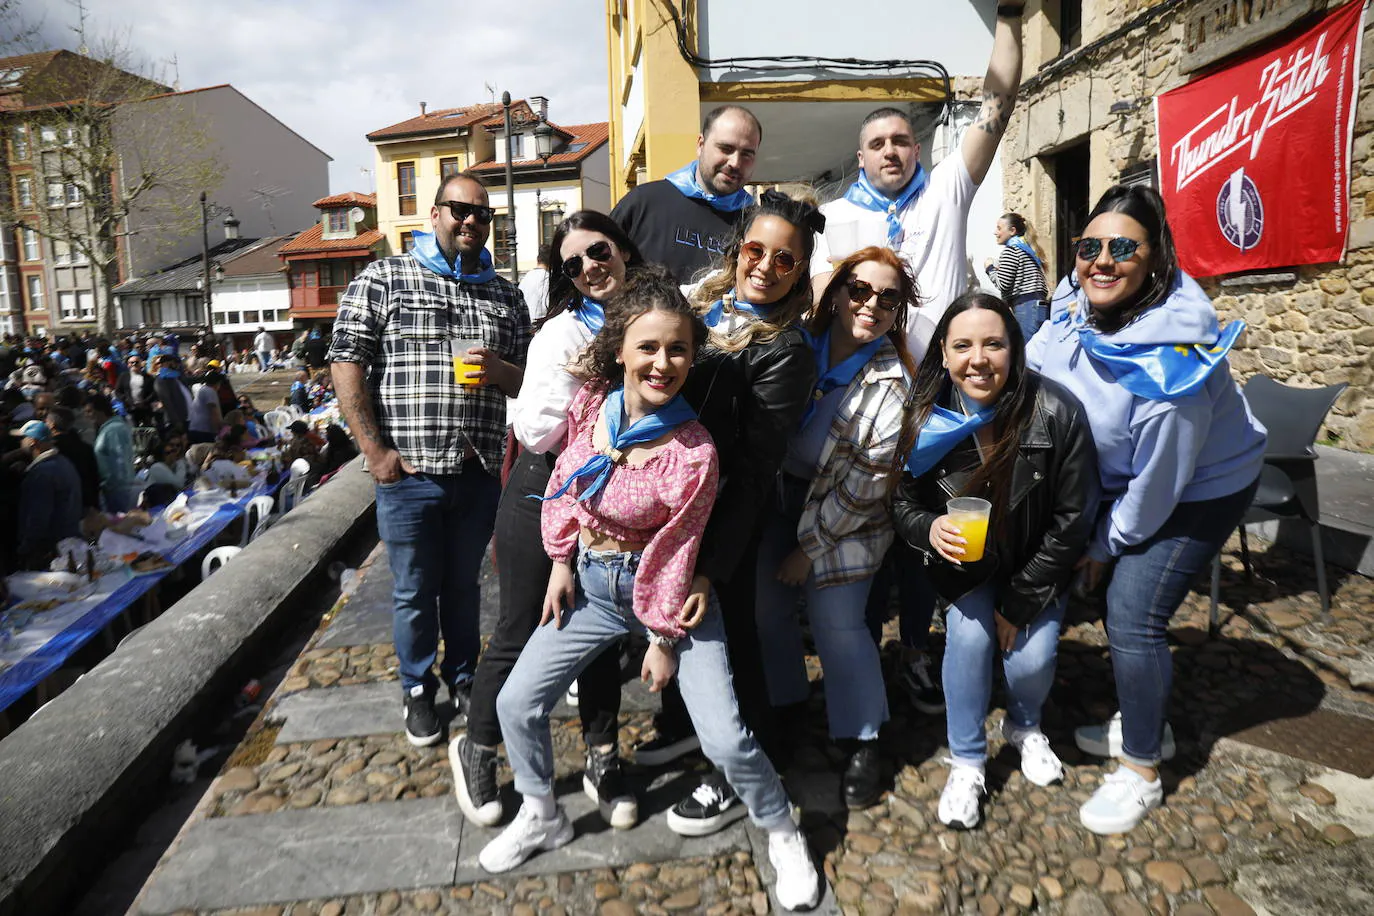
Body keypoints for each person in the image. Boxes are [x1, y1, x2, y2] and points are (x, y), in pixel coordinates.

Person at [480, 267, 822, 912]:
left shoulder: (692, 450)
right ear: (620, 351)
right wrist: (559, 561)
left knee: (724, 737)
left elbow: (679, 547)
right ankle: (541, 810)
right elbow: (567, 484)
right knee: (515, 702)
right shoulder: (590, 407)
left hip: (672, 598)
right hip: (592, 587)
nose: (663, 363)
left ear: (693, 356)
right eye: (648, 348)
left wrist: (663, 638)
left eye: (678, 350)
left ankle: (780, 829)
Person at [578, 189, 822, 835]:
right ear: (736, 248)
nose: (766, 266)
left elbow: (753, 472)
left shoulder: (786, 351)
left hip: (725, 519)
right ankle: (690, 732)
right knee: (689, 641)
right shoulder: (703, 305)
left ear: (801, 271)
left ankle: (740, 772)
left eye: (786, 260)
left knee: (734, 643)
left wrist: (713, 566)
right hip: (667, 499)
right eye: (756, 250)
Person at [1026, 184, 1266, 835]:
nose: (1101, 261)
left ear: (1155, 259)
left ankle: (1141, 769)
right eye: (1088, 247)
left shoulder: (1172, 367)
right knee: (1116, 601)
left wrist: (1104, 544)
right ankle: (1144, 719)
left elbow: (1160, 484)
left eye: (1122, 247)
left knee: (1132, 609)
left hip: (1200, 483)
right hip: (1128, 473)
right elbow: (1038, 363)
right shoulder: (1079, 308)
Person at [452, 210, 645, 829]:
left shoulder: (653, 315)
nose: (591, 266)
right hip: (545, 483)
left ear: (621, 250)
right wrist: (596, 382)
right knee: (520, 623)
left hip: (618, 490)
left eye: (599, 250)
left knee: (601, 626)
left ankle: (603, 756)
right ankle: (477, 745)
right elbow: (535, 430)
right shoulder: (561, 336)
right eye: (574, 263)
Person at [329, 169, 530, 748]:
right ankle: (417, 688)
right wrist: (374, 450)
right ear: (435, 213)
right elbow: (346, 360)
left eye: (483, 214)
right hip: (410, 472)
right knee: (415, 590)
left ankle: (464, 675)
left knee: (464, 585)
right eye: (460, 209)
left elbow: (527, 382)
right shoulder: (386, 279)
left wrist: (498, 371)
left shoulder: (504, 293)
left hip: (478, 468)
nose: (472, 221)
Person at [892, 292, 1098, 829]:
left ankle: (1024, 726)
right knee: (967, 640)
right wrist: (928, 527)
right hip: (968, 568)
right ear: (943, 351)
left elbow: (1074, 517)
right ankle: (965, 759)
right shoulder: (926, 416)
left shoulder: (1056, 411)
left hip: (1036, 566)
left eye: (993, 344)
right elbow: (902, 501)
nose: (977, 359)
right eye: (962, 345)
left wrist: (1022, 598)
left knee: (1030, 661)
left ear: (1015, 348)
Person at [754, 246, 916, 810]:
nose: (871, 304)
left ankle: (864, 737)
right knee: (768, 612)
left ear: (900, 310)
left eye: (888, 297)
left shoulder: (892, 384)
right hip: (779, 495)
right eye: (860, 290)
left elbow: (864, 487)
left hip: (848, 517)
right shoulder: (797, 341)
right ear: (837, 291)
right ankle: (788, 710)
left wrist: (808, 549)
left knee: (838, 624)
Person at [810, 3, 1024, 363]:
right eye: (877, 145)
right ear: (861, 158)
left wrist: (1009, 15)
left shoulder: (945, 189)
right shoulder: (830, 217)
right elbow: (818, 300)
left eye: (900, 142)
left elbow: (996, 108)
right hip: (859, 383)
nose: (890, 152)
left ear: (917, 149)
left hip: (940, 377)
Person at [610, 105, 762, 284]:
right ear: (700, 145)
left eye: (747, 154)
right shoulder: (644, 203)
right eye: (725, 148)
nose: (735, 163)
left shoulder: (757, 226)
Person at [15, 420, 83, 569]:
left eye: (22, 439)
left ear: (33, 442)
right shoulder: (64, 462)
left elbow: (38, 517)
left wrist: (26, 548)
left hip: (50, 551)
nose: (20, 443)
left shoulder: (41, 474)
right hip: (68, 541)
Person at [985, 212, 1050, 339]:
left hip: (1026, 307)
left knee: (1026, 352)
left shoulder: (1011, 250)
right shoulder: (1025, 249)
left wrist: (989, 268)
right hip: (1038, 306)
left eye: (999, 228)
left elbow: (1002, 284)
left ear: (1012, 231)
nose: (995, 232)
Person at [88, 392, 137, 512]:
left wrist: (114, 486)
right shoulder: (108, 429)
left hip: (118, 491)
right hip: (113, 490)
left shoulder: (113, 430)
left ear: (100, 411)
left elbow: (120, 461)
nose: (87, 415)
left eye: (89, 411)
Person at [154, 355, 194, 433]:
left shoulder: (177, 377)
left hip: (187, 418)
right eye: (172, 363)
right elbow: (167, 402)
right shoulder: (161, 380)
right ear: (163, 364)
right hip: (176, 421)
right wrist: (176, 421)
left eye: (176, 363)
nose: (176, 365)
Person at [517, 244, 551, 323]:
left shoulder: (526, 277)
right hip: (540, 325)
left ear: (538, 259)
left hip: (525, 323)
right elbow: (549, 305)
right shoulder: (547, 278)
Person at [188, 370, 224, 445]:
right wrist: (216, 432)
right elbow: (213, 412)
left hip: (196, 428)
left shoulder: (203, 390)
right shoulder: (210, 391)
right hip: (203, 431)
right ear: (217, 383)